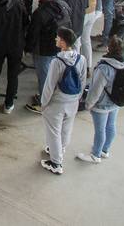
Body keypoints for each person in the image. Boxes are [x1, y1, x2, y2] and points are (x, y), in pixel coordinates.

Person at [39, 27, 86, 175]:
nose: (56, 39)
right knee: (66, 128)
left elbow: (50, 85)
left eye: (58, 38)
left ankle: (56, 163)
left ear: (63, 43)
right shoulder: (81, 59)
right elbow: (82, 80)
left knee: (53, 132)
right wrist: (77, 98)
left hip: (57, 103)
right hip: (73, 101)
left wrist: (44, 103)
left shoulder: (57, 62)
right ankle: (60, 149)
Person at [78, 36, 124, 164]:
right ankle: (104, 150)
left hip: (102, 105)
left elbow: (95, 89)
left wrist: (88, 104)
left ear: (109, 49)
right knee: (111, 126)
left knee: (100, 130)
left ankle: (95, 155)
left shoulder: (104, 68)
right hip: (116, 102)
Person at [25, 0, 68, 112]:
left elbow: (33, 33)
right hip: (59, 47)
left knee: (44, 77)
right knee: (55, 75)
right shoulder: (62, 5)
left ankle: (44, 104)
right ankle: (50, 98)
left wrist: (27, 48)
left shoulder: (40, 13)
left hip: (43, 50)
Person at [75, 0, 101, 68]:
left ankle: (76, 67)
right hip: (92, 11)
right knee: (86, 40)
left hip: (82, 13)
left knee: (76, 41)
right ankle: (88, 66)